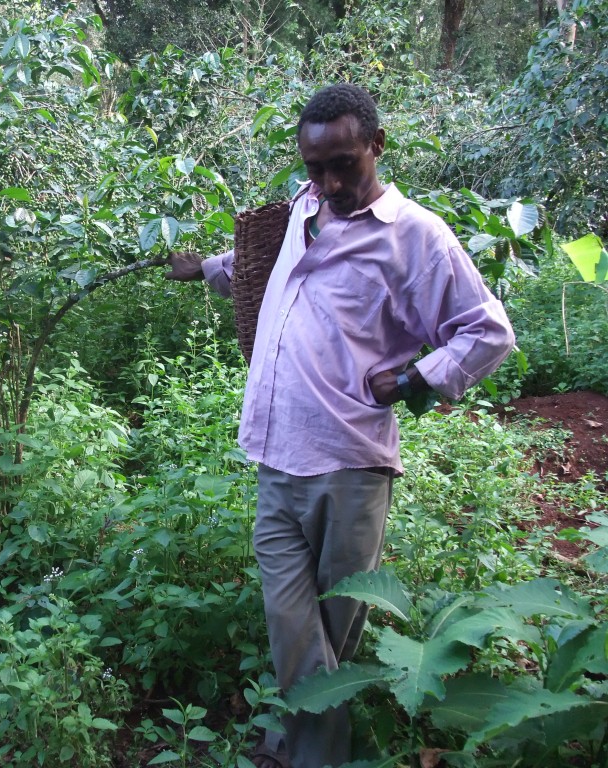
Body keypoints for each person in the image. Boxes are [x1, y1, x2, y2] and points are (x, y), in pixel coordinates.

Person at [165, 83, 515, 768]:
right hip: (274, 454)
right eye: (315, 167)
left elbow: (488, 332)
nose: (328, 182)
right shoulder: (304, 207)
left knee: (330, 629)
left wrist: (414, 378)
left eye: (344, 165)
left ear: (377, 147)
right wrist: (202, 268)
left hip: (348, 465)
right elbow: (261, 269)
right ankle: (300, 748)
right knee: (292, 625)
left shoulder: (416, 237)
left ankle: (289, 749)